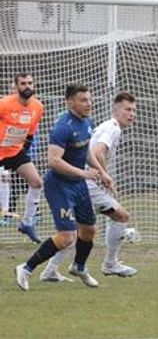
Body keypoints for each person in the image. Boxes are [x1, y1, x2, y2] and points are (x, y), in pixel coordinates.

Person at [15, 84, 112, 290]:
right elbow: (53, 160)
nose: (89, 103)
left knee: (89, 230)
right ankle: (26, 268)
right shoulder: (63, 126)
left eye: (89, 99)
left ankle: (79, 266)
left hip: (78, 184)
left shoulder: (87, 121)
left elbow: (86, 152)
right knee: (68, 236)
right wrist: (84, 173)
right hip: (59, 185)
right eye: (83, 100)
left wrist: (103, 173)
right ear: (70, 102)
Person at [41, 92, 140, 281]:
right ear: (115, 110)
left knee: (76, 230)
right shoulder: (113, 128)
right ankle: (110, 264)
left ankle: (50, 270)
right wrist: (104, 176)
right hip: (87, 183)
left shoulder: (107, 126)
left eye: (134, 110)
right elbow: (97, 152)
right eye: (127, 109)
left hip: (84, 181)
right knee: (121, 216)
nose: (132, 114)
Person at [0, 72, 46, 243]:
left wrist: (23, 152)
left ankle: (27, 223)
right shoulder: (4, 104)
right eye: (23, 83)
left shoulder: (38, 107)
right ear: (16, 86)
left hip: (14, 152)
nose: (27, 86)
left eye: (30, 83)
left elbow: (31, 133)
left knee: (37, 182)